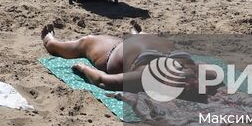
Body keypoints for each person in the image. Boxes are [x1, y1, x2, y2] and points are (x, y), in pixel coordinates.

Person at [41, 20, 205, 101]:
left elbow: (104, 80)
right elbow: (104, 81)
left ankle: (51, 42)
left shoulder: (147, 75)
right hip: (136, 46)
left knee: (85, 42)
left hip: (123, 49)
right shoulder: (196, 71)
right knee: (87, 42)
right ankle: (136, 33)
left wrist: (83, 68)